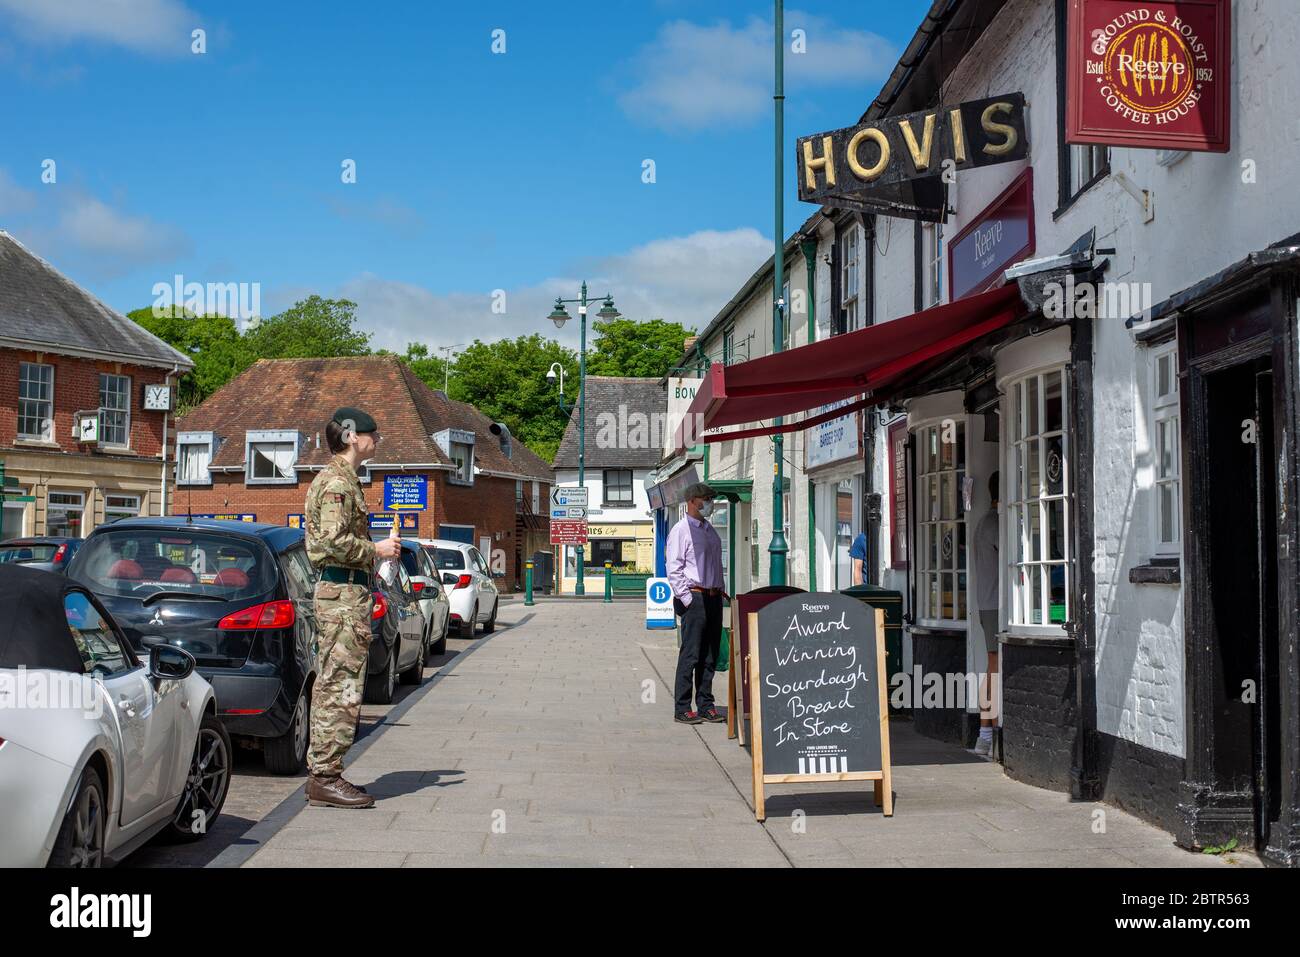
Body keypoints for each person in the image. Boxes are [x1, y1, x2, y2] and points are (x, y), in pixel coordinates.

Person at [303, 406, 402, 808]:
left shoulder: (344, 481)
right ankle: (325, 776)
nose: (375, 438)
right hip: (342, 598)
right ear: (349, 436)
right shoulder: (337, 484)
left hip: (348, 596)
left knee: (341, 684)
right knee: (338, 687)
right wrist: (375, 549)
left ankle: (327, 772)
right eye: (370, 433)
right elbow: (328, 544)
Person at [665, 482, 727, 725]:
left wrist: (721, 590)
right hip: (695, 596)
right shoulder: (681, 530)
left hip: (713, 596)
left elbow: (714, 564)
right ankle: (682, 707)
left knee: (709, 654)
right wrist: (687, 598)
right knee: (691, 654)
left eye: (711, 498)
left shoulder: (709, 530)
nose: (709, 502)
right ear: (692, 501)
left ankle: (705, 704)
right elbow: (674, 567)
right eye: (705, 498)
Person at [972, 471, 1000, 757]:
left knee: (992, 667)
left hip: (986, 602)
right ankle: (985, 736)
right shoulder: (995, 524)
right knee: (993, 669)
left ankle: (986, 735)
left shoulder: (982, 522)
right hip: (995, 604)